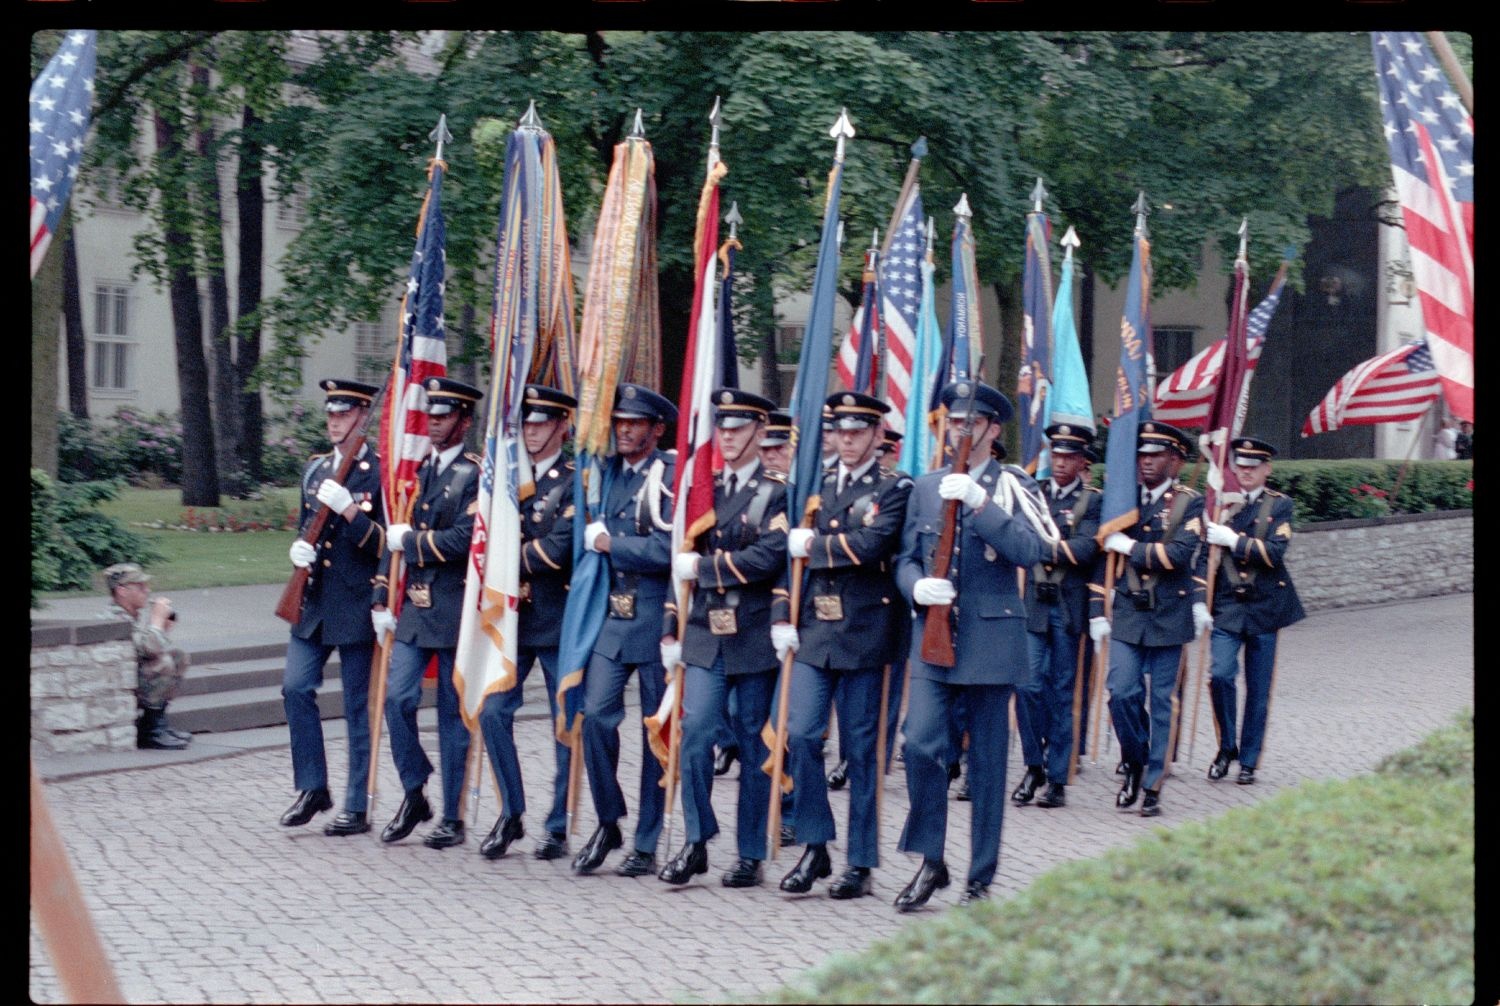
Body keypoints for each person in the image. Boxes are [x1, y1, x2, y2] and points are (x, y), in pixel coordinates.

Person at [892, 380, 1046, 911]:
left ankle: (981, 874)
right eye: (955, 421)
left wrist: (982, 505)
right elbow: (907, 556)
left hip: (991, 639)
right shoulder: (927, 485)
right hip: (935, 638)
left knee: (986, 763)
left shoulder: (1012, 486)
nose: (962, 430)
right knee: (919, 744)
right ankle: (931, 860)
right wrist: (915, 586)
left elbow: (1032, 550)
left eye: (973, 422)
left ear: (993, 430)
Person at [778, 392, 913, 901]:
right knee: (803, 736)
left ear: (879, 436)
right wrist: (783, 614)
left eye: (859, 431)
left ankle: (860, 861)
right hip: (816, 628)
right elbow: (787, 560)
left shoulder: (892, 487)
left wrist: (813, 546)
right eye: (841, 431)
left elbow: (873, 543)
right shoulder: (813, 485)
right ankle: (816, 845)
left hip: (867, 633)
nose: (848, 440)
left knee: (860, 752)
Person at [657, 389, 789, 888]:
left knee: (754, 743)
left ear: (759, 431)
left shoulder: (777, 490)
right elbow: (680, 558)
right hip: (706, 634)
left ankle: (751, 851)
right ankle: (696, 839)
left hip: (753, 633)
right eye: (723, 428)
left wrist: (707, 567)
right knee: (696, 734)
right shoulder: (702, 487)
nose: (728, 437)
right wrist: (671, 624)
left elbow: (767, 558)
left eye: (738, 429)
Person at [573, 383, 678, 878]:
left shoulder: (670, 476)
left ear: (657, 429)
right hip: (613, 622)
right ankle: (609, 819)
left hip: (657, 619)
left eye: (635, 422)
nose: (624, 430)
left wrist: (612, 544)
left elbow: (669, 550)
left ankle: (647, 839)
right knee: (595, 717)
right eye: (619, 422)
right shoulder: (604, 474)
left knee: (654, 735)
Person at [374, 377, 484, 849]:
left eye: (444, 416)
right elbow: (394, 532)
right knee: (396, 699)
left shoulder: (476, 474)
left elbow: (463, 540)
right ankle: (415, 790)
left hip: (454, 607)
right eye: (432, 415)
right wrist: (382, 594)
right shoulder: (417, 471)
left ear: (464, 421)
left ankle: (453, 815)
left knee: (451, 718)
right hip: (416, 609)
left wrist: (412, 542)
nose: (435, 422)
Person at [279, 378, 387, 834]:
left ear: (362, 416)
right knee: (294, 687)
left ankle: (356, 805)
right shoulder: (316, 469)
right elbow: (309, 525)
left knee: (357, 706)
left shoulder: (378, 473)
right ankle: (313, 786)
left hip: (357, 602)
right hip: (315, 600)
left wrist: (351, 512)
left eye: (343, 414)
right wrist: (297, 552)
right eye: (330, 414)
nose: (334, 422)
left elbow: (383, 544)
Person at [1088, 420, 1210, 819]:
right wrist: (1096, 608)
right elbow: (1101, 558)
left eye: (1156, 455)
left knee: (1162, 702)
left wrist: (1133, 547)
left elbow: (1178, 554)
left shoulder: (1188, 503)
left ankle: (1154, 784)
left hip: (1168, 615)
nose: (1146, 462)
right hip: (1127, 612)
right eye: (1142, 454)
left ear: (1175, 460)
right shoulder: (1122, 500)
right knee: (1121, 692)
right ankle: (1135, 762)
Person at [475, 386, 578, 861]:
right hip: (511, 620)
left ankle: (557, 825)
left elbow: (557, 551)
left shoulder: (575, 481)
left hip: (556, 618)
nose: (532, 432)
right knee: (493, 712)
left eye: (542, 423)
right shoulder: (503, 476)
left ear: (562, 426)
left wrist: (501, 561)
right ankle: (511, 812)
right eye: (528, 424)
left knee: (564, 724)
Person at [1202, 438, 1306, 786]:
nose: (1245, 471)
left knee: (1258, 690)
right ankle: (1226, 746)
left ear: (1267, 469)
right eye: (1240, 465)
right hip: (1228, 605)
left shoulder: (1280, 505)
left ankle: (1248, 760)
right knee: (1220, 674)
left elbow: (1275, 552)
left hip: (1264, 607)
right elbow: (1205, 559)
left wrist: (1232, 541)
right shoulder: (1219, 505)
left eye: (1253, 466)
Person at [1013, 424, 1102, 810]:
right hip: (1034, 605)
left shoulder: (1093, 501)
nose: (1061, 463)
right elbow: (1018, 536)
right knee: (1028, 686)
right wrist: (1054, 547)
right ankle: (1034, 764)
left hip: (1068, 608)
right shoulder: (1036, 495)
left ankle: (1057, 777)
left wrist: (1045, 548)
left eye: (1069, 456)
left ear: (1083, 461)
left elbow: (1086, 548)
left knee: (1063, 694)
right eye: (1057, 455)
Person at [103, 563, 190, 751]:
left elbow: (145, 648)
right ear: (122, 591)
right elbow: (148, 651)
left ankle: (156, 723)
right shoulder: (115, 618)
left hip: (132, 676)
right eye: (140, 586)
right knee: (163, 663)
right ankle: (151, 731)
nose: (147, 591)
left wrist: (161, 628)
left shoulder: (128, 615)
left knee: (178, 657)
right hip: (118, 682)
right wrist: (156, 621)